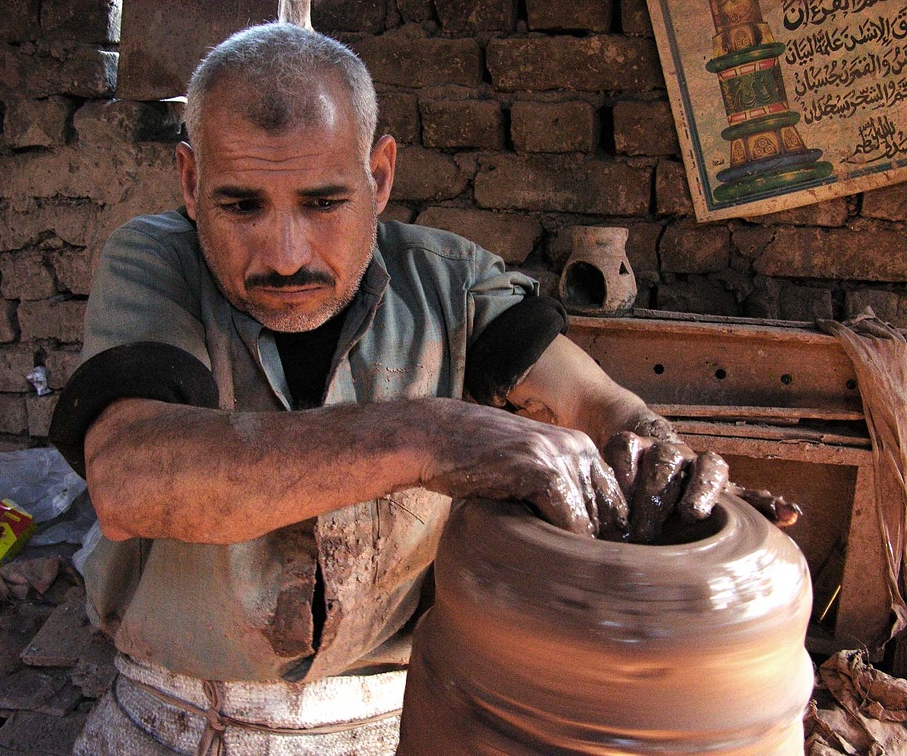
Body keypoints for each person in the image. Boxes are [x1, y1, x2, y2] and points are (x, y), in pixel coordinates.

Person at [49, 21, 797, 755]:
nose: (283, 255)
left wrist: (661, 468)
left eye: (323, 202)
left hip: (399, 713)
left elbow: (597, 407)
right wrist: (433, 435)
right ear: (190, 179)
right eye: (241, 205)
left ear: (378, 176)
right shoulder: (154, 265)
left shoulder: (453, 279)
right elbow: (131, 481)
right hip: (177, 713)